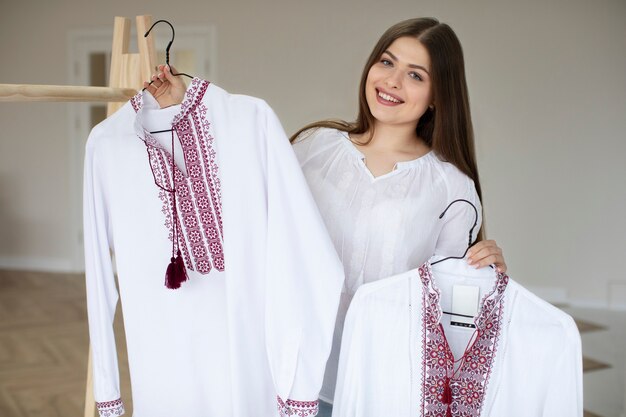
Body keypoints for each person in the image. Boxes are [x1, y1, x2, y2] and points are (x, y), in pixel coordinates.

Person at [144, 16, 506, 409]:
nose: (393, 81)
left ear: (438, 94)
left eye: (415, 75)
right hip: (290, 370)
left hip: (380, 384)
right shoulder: (314, 148)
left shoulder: (451, 186)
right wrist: (184, 110)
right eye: (387, 62)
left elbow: (451, 304)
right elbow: (239, 191)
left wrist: (488, 277)